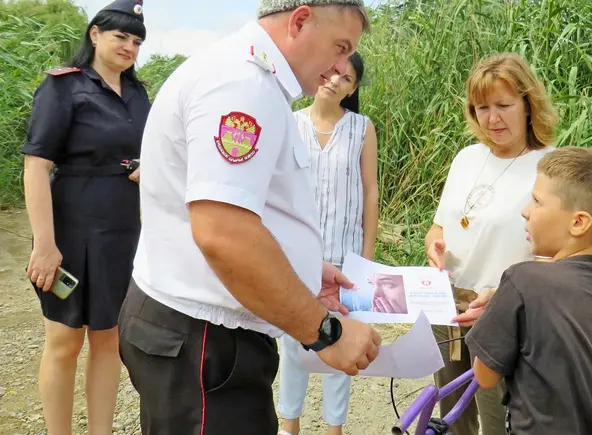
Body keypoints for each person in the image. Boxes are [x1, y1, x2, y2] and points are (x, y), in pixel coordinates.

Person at [117, 1, 382, 434]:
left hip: (201, 336)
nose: (339, 67)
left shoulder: (253, 80)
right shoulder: (243, 85)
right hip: (204, 342)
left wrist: (301, 270)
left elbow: (244, 210)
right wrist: (326, 332)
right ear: (299, 20)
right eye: (339, 47)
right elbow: (224, 234)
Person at [20, 1, 149, 434]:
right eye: (120, 37)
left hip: (123, 230)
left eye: (136, 41)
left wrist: (143, 167)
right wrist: (44, 243)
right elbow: (36, 165)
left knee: (109, 338)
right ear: (94, 35)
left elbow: (139, 153)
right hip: (71, 227)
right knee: (64, 340)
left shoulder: (138, 93)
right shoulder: (63, 87)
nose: (129, 47)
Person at [458, 146, 592, 434]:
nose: (525, 211)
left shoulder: (523, 281)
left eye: (536, 201)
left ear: (578, 222)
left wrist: (498, 315)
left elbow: (485, 376)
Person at [424, 52, 559, 434]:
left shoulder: (551, 167)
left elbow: (560, 257)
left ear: (529, 104)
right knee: (450, 411)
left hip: (503, 311)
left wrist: (505, 295)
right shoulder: (466, 158)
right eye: (482, 107)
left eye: (503, 105)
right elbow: (438, 228)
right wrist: (434, 245)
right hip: (448, 307)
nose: (492, 118)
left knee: (498, 416)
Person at [277, 51, 378, 435]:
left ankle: (334, 427)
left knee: (344, 340)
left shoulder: (361, 128)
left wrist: (365, 258)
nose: (336, 81)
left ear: (351, 90)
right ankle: (290, 424)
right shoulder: (290, 123)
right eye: (334, 71)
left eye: (347, 79)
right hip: (298, 256)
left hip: (346, 256)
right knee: (292, 344)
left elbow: (370, 191)